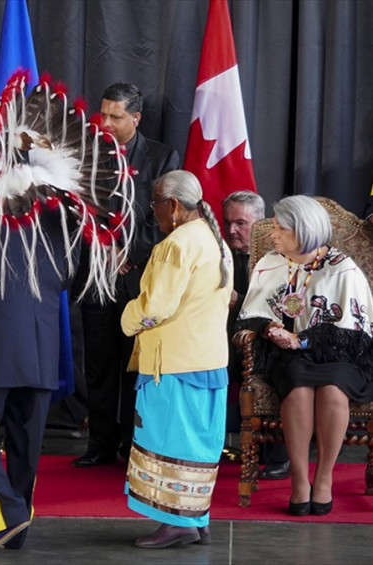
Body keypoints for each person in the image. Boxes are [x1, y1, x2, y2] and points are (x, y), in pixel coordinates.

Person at [0, 71, 133, 552]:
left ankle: (9, 514)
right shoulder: (61, 217)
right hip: (42, 351)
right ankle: (16, 526)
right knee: (24, 440)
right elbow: (71, 279)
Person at [237, 195, 373, 517]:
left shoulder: (343, 268)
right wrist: (271, 329)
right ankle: (300, 481)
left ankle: (323, 478)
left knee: (332, 389)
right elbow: (250, 313)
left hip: (340, 353)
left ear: (303, 231)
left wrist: (305, 341)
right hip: (286, 353)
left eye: (281, 229)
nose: (273, 235)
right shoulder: (271, 263)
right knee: (296, 385)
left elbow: (355, 329)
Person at [121, 170, 232, 548]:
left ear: (172, 205)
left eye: (155, 206)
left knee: (172, 442)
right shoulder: (214, 239)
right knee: (196, 443)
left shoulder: (176, 245)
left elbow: (155, 307)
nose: (153, 214)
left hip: (174, 364)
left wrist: (127, 318)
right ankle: (195, 518)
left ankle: (177, 522)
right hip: (208, 361)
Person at [75, 82, 181, 468]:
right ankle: (100, 445)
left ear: (135, 118)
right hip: (96, 275)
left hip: (140, 278)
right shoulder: (88, 154)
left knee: (135, 364)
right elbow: (75, 210)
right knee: (99, 365)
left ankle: (134, 443)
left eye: (115, 116)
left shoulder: (161, 156)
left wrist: (129, 253)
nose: (105, 122)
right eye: (102, 114)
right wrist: (101, 249)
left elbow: (166, 215)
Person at [223, 191, 290, 477]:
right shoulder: (221, 254)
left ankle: (279, 456)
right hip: (226, 340)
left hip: (270, 340)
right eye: (228, 223)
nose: (231, 230)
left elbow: (285, 310)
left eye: (240, 223)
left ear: (261, 223)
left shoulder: (280, 258)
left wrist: (239, 304)